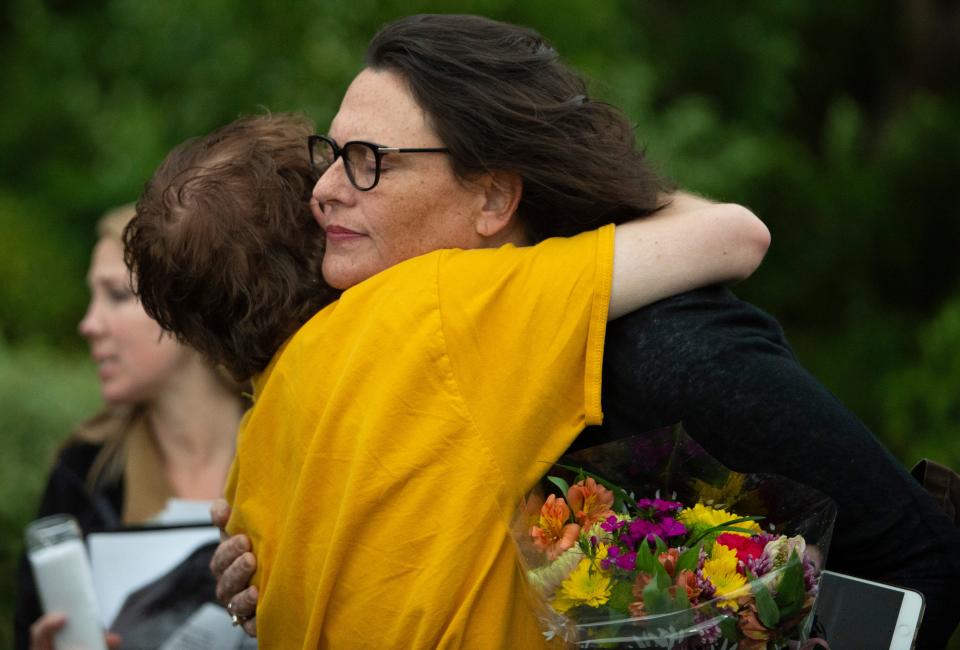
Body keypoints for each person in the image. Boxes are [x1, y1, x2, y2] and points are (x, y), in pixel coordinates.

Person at [200, 15, 960, 648]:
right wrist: (273, 570)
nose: (325, 190)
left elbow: (918, 557)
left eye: (368, 161)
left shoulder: (661, 350)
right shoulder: (372, 359)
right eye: (330, 156)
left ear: (493, 198)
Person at [125, 98, 768, 648]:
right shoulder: (431, 311)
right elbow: (731, 235)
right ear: (326, 227)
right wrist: (572, 174)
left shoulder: (248, 468)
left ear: (204, 343)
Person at [13, 205, 247, 650]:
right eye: (91, 298)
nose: (89, 324)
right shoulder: (84, 471)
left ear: (183, 307)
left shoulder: (289, 446)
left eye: (116, 296)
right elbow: (29, 626)